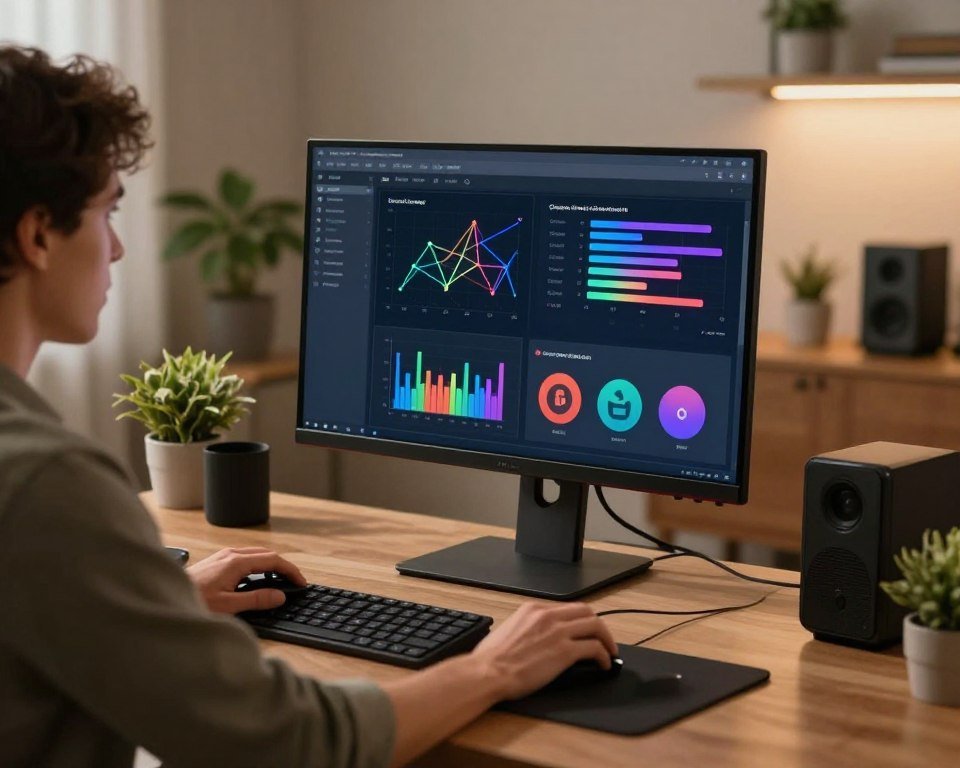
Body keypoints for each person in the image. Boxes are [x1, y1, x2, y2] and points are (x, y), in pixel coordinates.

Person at [0, 46, 617, 768]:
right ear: (40, 234)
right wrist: (495, 667)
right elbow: (288, 743)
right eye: (108, 212)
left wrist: (151, 606)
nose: (118, 249)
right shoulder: (45, 481)